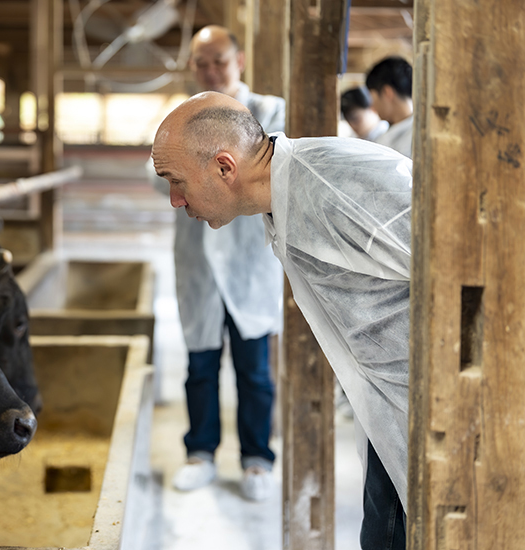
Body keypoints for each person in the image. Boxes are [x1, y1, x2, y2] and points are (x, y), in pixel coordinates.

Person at [152, 91, 411, 549]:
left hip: (427, 404)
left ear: (225, 168)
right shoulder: (283, 195)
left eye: (177, 181)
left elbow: (458, 265)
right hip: (388, 406)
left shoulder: (331, 183)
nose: (175, 200)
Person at [149, 25, 285, 501]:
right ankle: (200, 453)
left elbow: (271, 168)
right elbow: (157, 176)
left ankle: (257, 459)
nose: (211, 71)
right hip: (199, 265)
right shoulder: (178, 117)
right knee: (200, 365)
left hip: (250, 263)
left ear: (239, 61)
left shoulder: (269, 111)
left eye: (219, 62)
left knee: (255, 370)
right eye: (202, 64)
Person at [366, 56, 414, 157]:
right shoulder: (391, 132)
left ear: (387, 92)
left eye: (372, 97)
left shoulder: (415, 138)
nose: (372, 107)